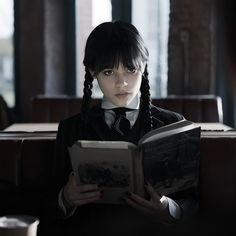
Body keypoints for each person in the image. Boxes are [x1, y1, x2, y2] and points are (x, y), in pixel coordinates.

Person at [48, 21, 198, 235]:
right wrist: (66, 198)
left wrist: (168, 209)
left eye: (130, 69)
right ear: (93, 72)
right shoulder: (70, 129)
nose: (122, 83)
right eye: (109, 72)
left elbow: (192, 201)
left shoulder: (173, 125)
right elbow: (49, 204)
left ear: (144, 66)